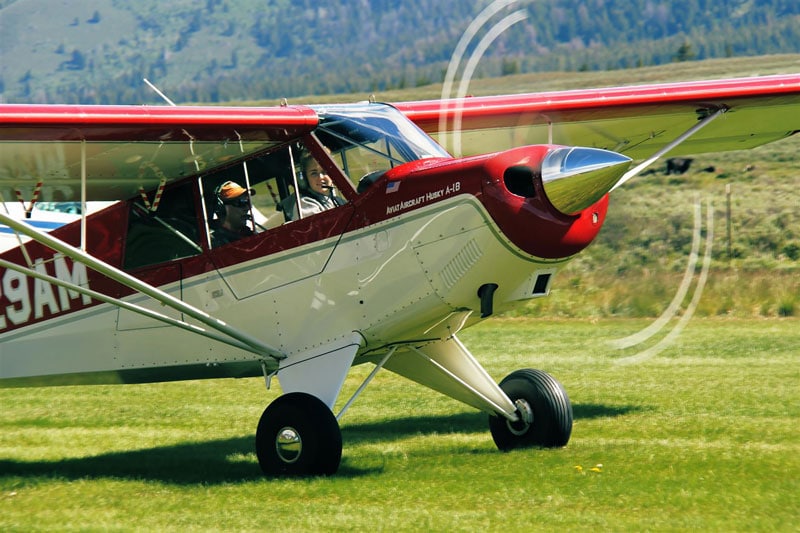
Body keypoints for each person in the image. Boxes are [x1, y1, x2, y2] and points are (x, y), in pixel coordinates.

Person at [284, 151, 344, 221]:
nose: (320, 177)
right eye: (314, 173)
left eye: (324, 172)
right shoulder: (305, 205)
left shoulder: (339, 201)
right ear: (305, 178)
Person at [209, 180, 255, 246]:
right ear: (221, 208)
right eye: (241, 202)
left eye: (248, 202)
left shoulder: (248, 234)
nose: (247, 208)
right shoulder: (212, 242)